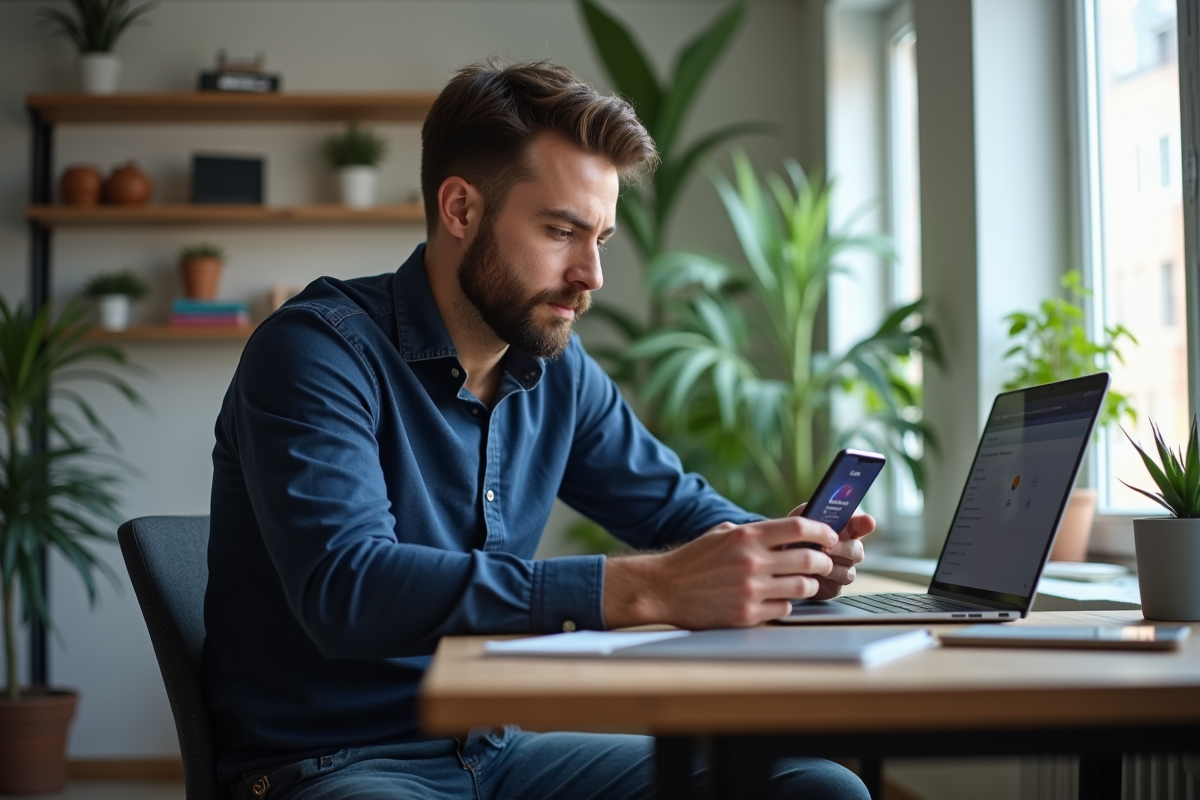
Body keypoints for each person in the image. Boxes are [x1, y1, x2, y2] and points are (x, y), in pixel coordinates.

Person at [205, 60, 874, 800]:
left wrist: (784, 554)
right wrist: (642, 589)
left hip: (499, 751)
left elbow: (675, 509)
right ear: (460, 209)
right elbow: (348, 589)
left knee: (816, 788)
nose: (591, 274)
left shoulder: (555, 368)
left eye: (602, 239)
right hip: (337, 764)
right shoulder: (314, 353)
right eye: (561, 230)